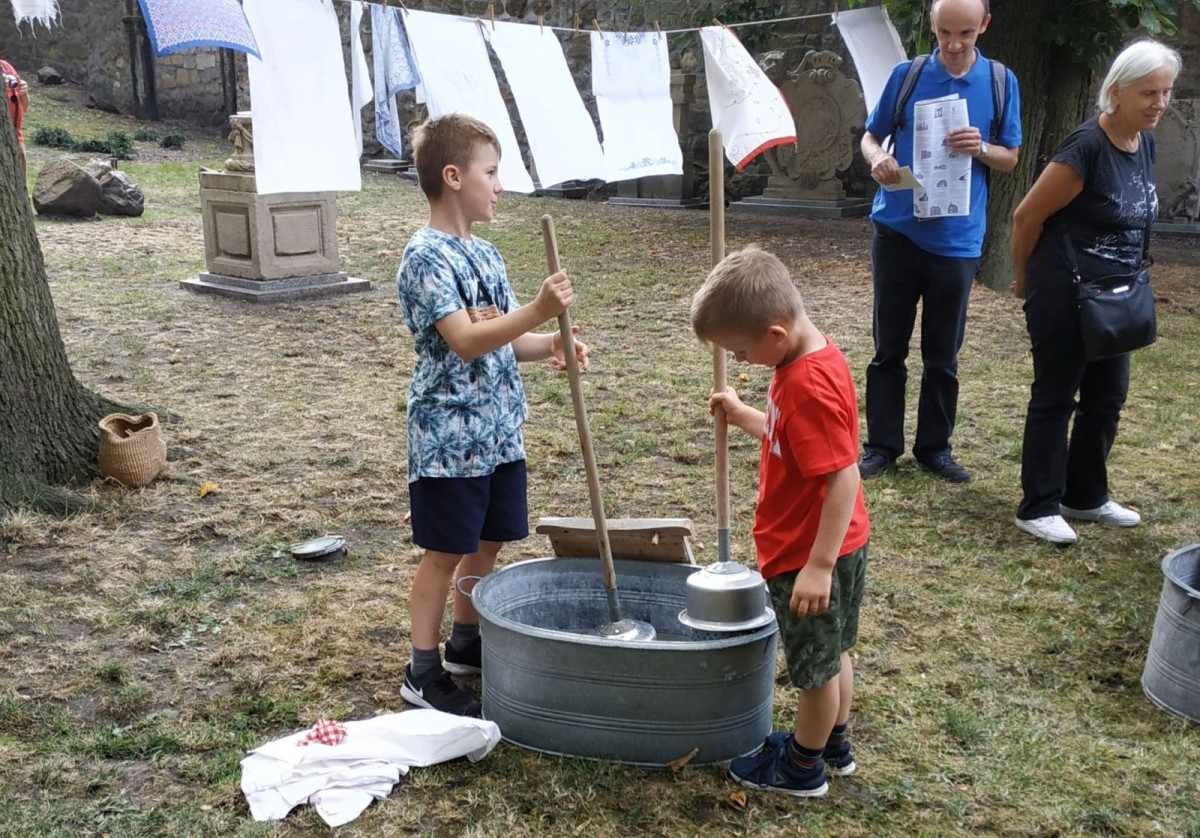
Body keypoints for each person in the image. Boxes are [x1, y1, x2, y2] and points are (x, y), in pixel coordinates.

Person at [396, 113, 589, 715]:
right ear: (453, 176)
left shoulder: (489, 255)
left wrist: (550, 343)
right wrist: (537, 311)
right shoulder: (425, 259)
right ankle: (421, 671)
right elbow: (465, 340)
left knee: (489, 541)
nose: (500, 185)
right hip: (449, 440)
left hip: (499, 433)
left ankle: (466, 642)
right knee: (444, 552)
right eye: (492, 171)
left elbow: (504, 340)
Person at [691, 246, 870, 797]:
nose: (739, 360)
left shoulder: (804, 385)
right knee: (833, 650)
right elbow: (794, 445)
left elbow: (843, 476)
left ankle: (802, 768)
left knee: (813, 673)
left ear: (774, 333)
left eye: (741, 351)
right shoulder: (808, 357)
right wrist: (747, 414)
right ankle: (832, 744)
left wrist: (816, 566)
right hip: (835, 544)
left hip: (809, 552)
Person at [1009, 39, 1180, 544]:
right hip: (1066, 289)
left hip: (1116, 293)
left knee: (1107, 398)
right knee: (1056, 395)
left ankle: (1083, 496)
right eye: (1148, 92)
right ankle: (1037, 505)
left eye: (1166, 91)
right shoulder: (1086, 148)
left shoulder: (1142, 141)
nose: (1160, 103)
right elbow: (1026, 217)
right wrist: (1023, 279)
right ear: (1117, 92)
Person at [857, 0, 1022, 483]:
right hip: (898, 232)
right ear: (932, 25)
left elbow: (1010, 156)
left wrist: (982, 148)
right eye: (944, 32)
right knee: (889, 347)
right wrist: (876, 161)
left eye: (965, 34)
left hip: (957, 241)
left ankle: (935, 448)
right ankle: (882, 446)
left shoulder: (1000, 81)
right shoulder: (906, 75)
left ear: (984, 26)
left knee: (943, 353)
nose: (952, 44)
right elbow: (870, 137)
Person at [1, 58, 29, 178]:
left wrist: (25, 92)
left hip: (16, 136)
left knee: (19, 181)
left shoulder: (6, 67)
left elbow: (25, 106)